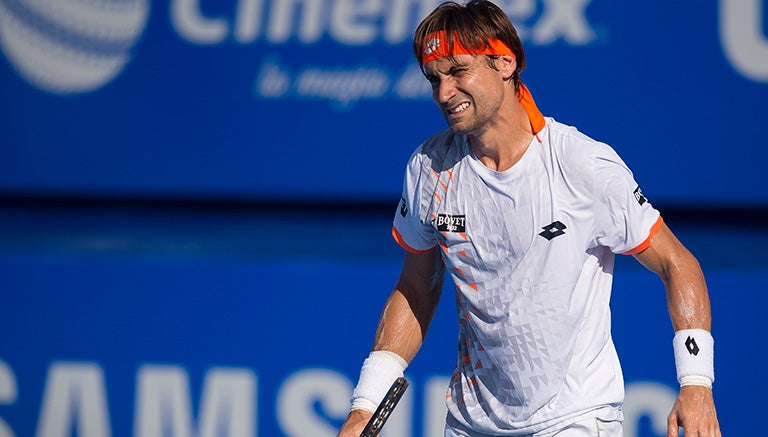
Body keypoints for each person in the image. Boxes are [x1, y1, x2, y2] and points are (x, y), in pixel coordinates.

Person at [337, 1, 721, 436]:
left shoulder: (581, 165)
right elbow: (415, 289)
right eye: (434, 78)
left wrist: (696, 385)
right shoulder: (429, 167)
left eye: (459, 71)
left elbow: (677, 263)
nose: (444, 93)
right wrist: (365, 405)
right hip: (471, 424)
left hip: (574, 419)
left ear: (504, 62)